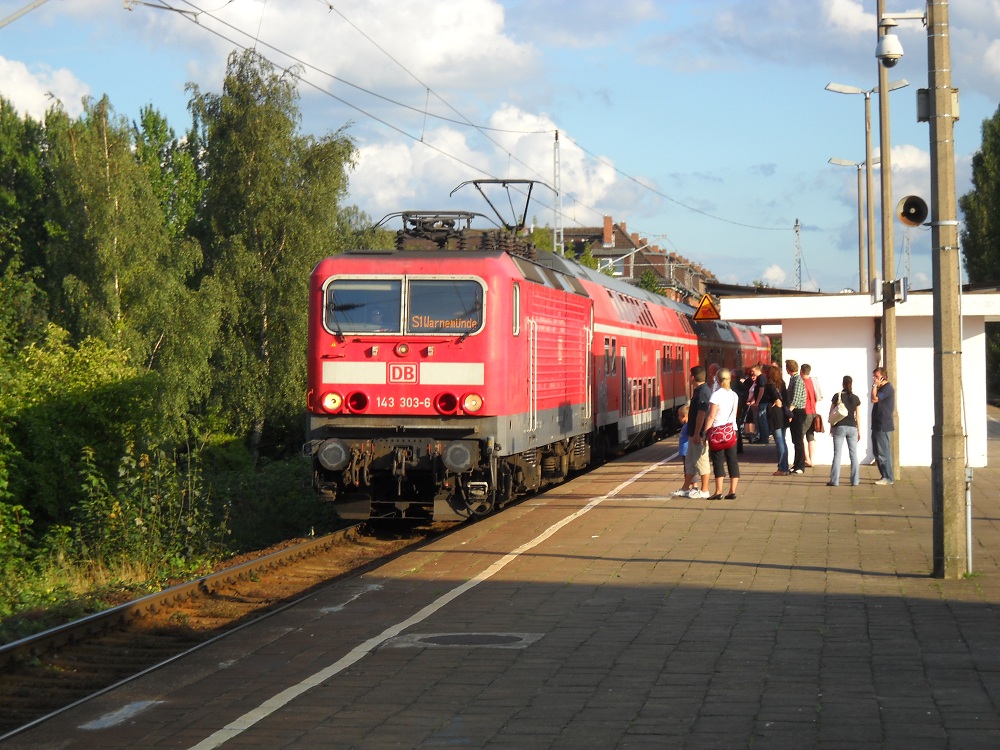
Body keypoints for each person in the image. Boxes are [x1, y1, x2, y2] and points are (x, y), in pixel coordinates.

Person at [671, 366, 712, 499]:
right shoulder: (699, 391)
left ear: (693, 377)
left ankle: (705, 490)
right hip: (693, 433)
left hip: (698, 434)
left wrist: (697, 433)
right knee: (690, 462)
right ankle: (685, 488)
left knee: (701, 462)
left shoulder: (702, 392)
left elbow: (701, 414)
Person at [704, 368, 740, 499]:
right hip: (731, 430)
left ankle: (718, 491)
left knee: (718, 461)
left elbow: (711, 416)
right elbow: (734, 415)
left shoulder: (716, 395)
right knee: (732, 460)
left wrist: (704, 431)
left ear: (717, 379)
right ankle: (732, 491)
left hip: (717, 431)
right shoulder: (734, 395)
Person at [827, 376, 862, 487]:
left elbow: (831, 412)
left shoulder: (837, 396)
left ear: (842, 384)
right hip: (852, 427)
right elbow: (858, 416)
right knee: (854, 455)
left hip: (839, 427)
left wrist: (831, 426)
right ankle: (855, 481)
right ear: (852, 384)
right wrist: (859, 431)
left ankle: (835, 481)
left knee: (837, 454)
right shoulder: (856, 398)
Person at [763, 365, 790, 475]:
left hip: (775, 414)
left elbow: (776, 398)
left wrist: (776, 400)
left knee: (779, 442)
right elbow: (786, 399)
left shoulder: (769, 385)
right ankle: (785, 466)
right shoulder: (782, 383)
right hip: (783, 414)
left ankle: (782, 468)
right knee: (783, 441)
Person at [871, 367, 896, 485]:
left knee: (883, 452)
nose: (874, 379)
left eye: (876, 376)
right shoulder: (882, 388)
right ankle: (884, 475)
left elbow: (874, 399)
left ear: (883, 377)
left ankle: (888, 477)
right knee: (877, 453)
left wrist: (874, 386)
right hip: (877, 424)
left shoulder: (887, 388)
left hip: (883, 425)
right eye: (874, 376)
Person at [786, 359, 808, 474]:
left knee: (798, 439)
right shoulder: (793, 379)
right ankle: (796, 464)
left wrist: (789, 411)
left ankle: (800, 465)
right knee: (796, 440)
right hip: (796, 411)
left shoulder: (797, 380)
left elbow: (796, 397)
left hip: (798, 411)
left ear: (788, 368)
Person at [801, 363, 823, 467]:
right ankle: (812, 459)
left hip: (805, 412)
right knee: (810, 436)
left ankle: (807, 459)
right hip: (813, 411)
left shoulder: (801, 382)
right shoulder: (813, 381)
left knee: (800, 435)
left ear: (801, 371)